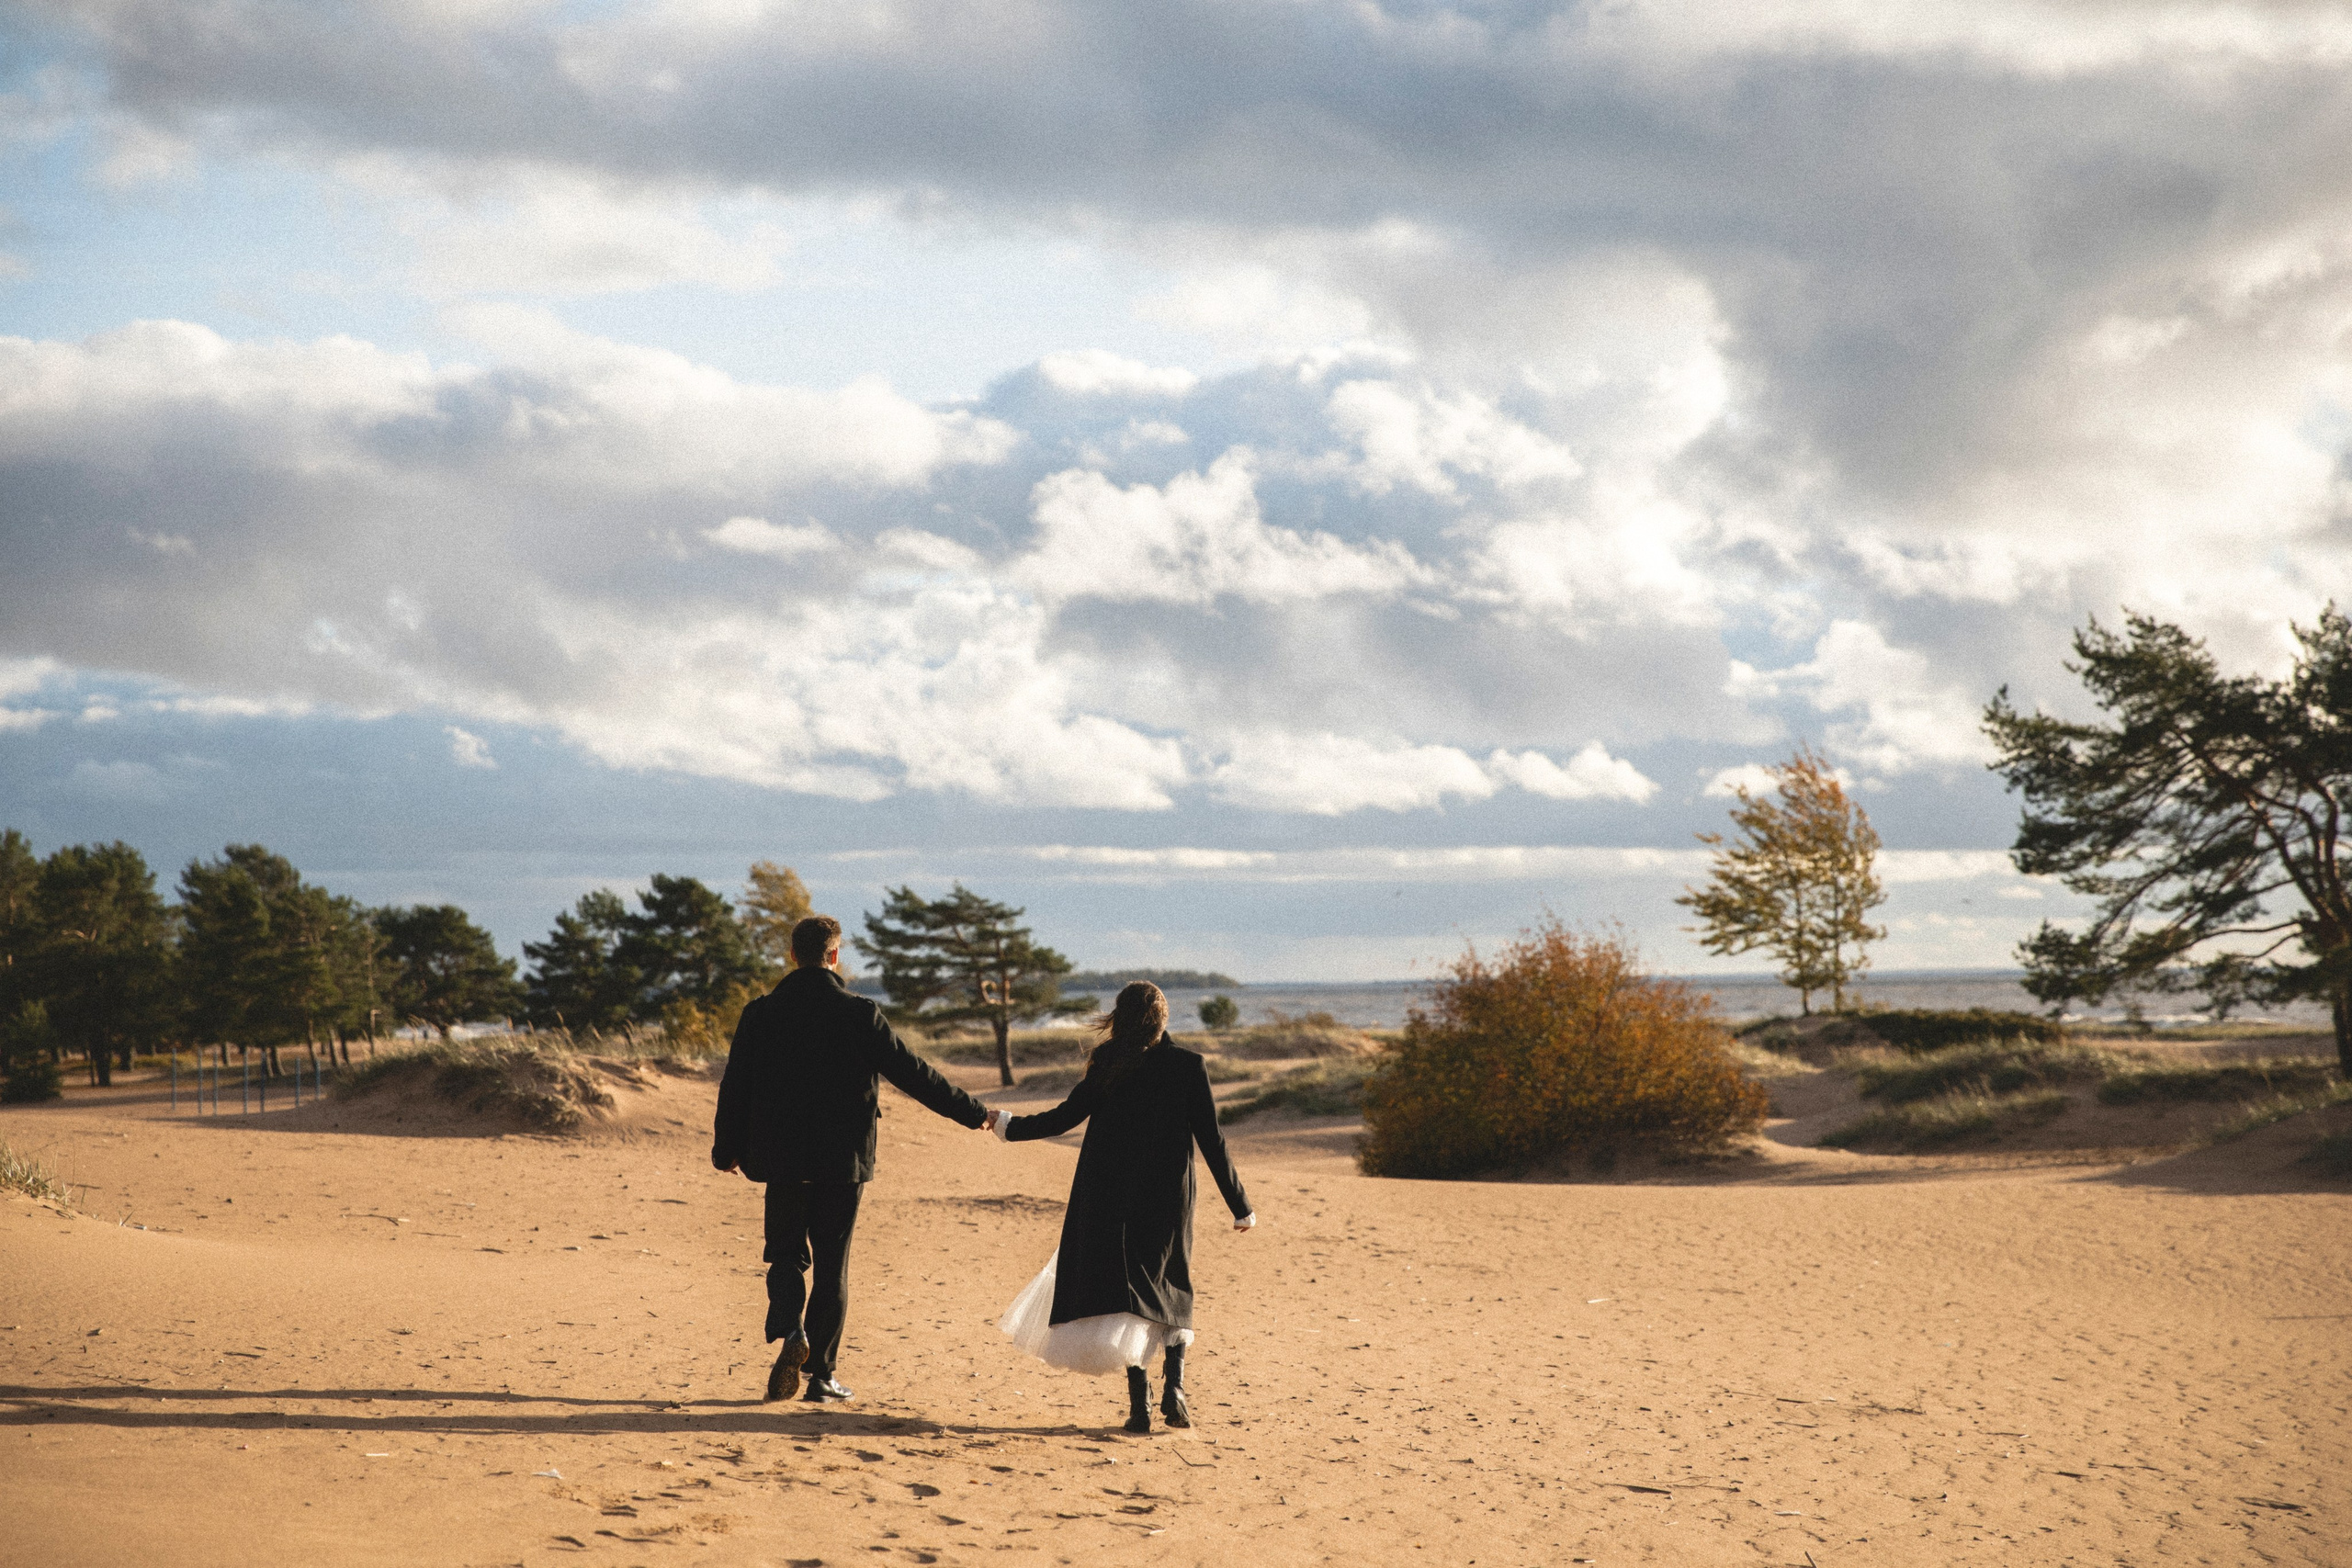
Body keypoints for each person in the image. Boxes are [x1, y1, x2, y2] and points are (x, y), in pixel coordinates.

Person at [712, 914, 993, 1404]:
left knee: (784, 1254)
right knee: (832, 1265)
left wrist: (726, 1150)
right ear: (835, 955)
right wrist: (975, 1114)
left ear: (794, 955)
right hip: (842, 1162)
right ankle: (821, 1377)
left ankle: (790, 1328)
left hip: (781, 1159)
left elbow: (735, 1085)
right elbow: (915, 1074)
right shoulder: (859, 1013)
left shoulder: (760, 1014)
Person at [991, 981, 1254, 1433]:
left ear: (1122, 1017)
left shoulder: (1109, 1062)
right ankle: (1176, 1388)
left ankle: (1140, 1407)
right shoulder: (1188, 1065)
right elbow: (1213, 1138)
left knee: (1131, 1293)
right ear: (1163, 1019)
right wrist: (1240, 1205)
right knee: (1172, 1285)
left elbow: (1063, 1117)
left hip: (1110, 1194)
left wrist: (1008, 1127)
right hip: (1168, 1195)